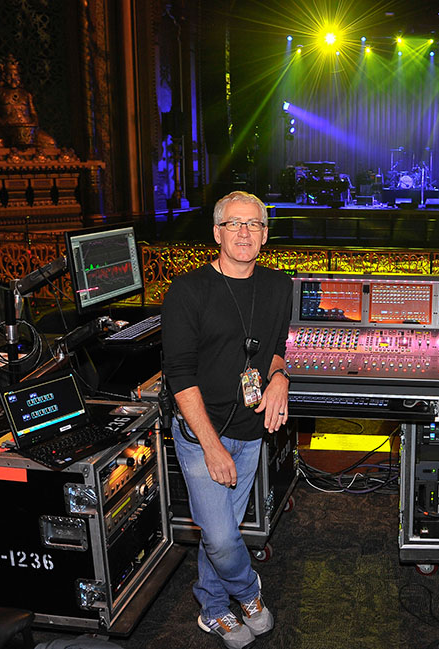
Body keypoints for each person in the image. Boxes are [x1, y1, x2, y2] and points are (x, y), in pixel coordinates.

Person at [162, 191, 292, 649]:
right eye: (234, 224)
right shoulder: (187, 290)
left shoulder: (279, 285)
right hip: (202, 437)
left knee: (223, 535)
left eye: (253, 224)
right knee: (219, 537)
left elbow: (277, 345)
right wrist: (212, 446)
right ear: (216, 232)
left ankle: (213, 610)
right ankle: (249, 593)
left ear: (265, 235)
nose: (244, 232)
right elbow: (178, 376)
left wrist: (279, 377)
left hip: (250, 432)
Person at [0, 54, 57, 150]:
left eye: (15, 75)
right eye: (9, 75)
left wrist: (33, 124)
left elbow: (33, 113)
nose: (13, 78)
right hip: (5, 130)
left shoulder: (26, 94)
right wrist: (3, 124)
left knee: (50, 143)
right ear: (4, 76)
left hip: (28, 131)